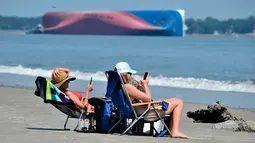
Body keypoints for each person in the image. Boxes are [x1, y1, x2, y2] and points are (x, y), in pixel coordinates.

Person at [114, 62, 188, 139]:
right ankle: (175, 131)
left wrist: (138, 88)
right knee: (178, 102)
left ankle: (171, 129)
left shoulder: (118, 87)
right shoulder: (127, 87)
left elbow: (131, 99)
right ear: (124, 74)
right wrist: (145, 85)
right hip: (145, 114)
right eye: (130, 73)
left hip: (137, 110)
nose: (131, 76)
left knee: (173, 100)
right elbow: (148, 99)